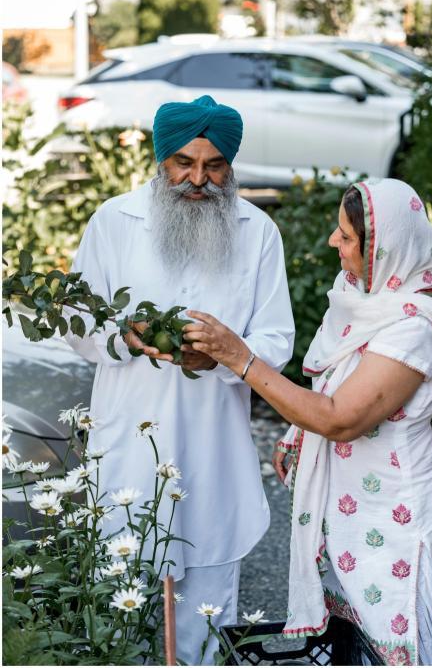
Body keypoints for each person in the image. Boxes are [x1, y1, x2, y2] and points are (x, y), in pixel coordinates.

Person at [183, 178, 432, 666]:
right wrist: (298, 436)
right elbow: (334, 385)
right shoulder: (364, 301)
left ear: (384, 251)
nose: (332, 242)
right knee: (357, 644)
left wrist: (240, 358)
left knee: (399, 651)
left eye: (346, 236)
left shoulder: (410, 330)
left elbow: (341, 419)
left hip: (396, 526)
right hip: (354, 516)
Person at [65, 95, 295, 664]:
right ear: (161, 159)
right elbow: (78, 324)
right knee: (124, 606)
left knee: (208, 618)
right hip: (129, 450)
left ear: (230, 166)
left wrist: (224, 355)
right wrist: (125, 336)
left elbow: (277, 340)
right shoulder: (114, 221)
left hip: (215, 452)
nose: (198, 179)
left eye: (214, 166)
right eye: (184, 164)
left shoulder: (257, 230)